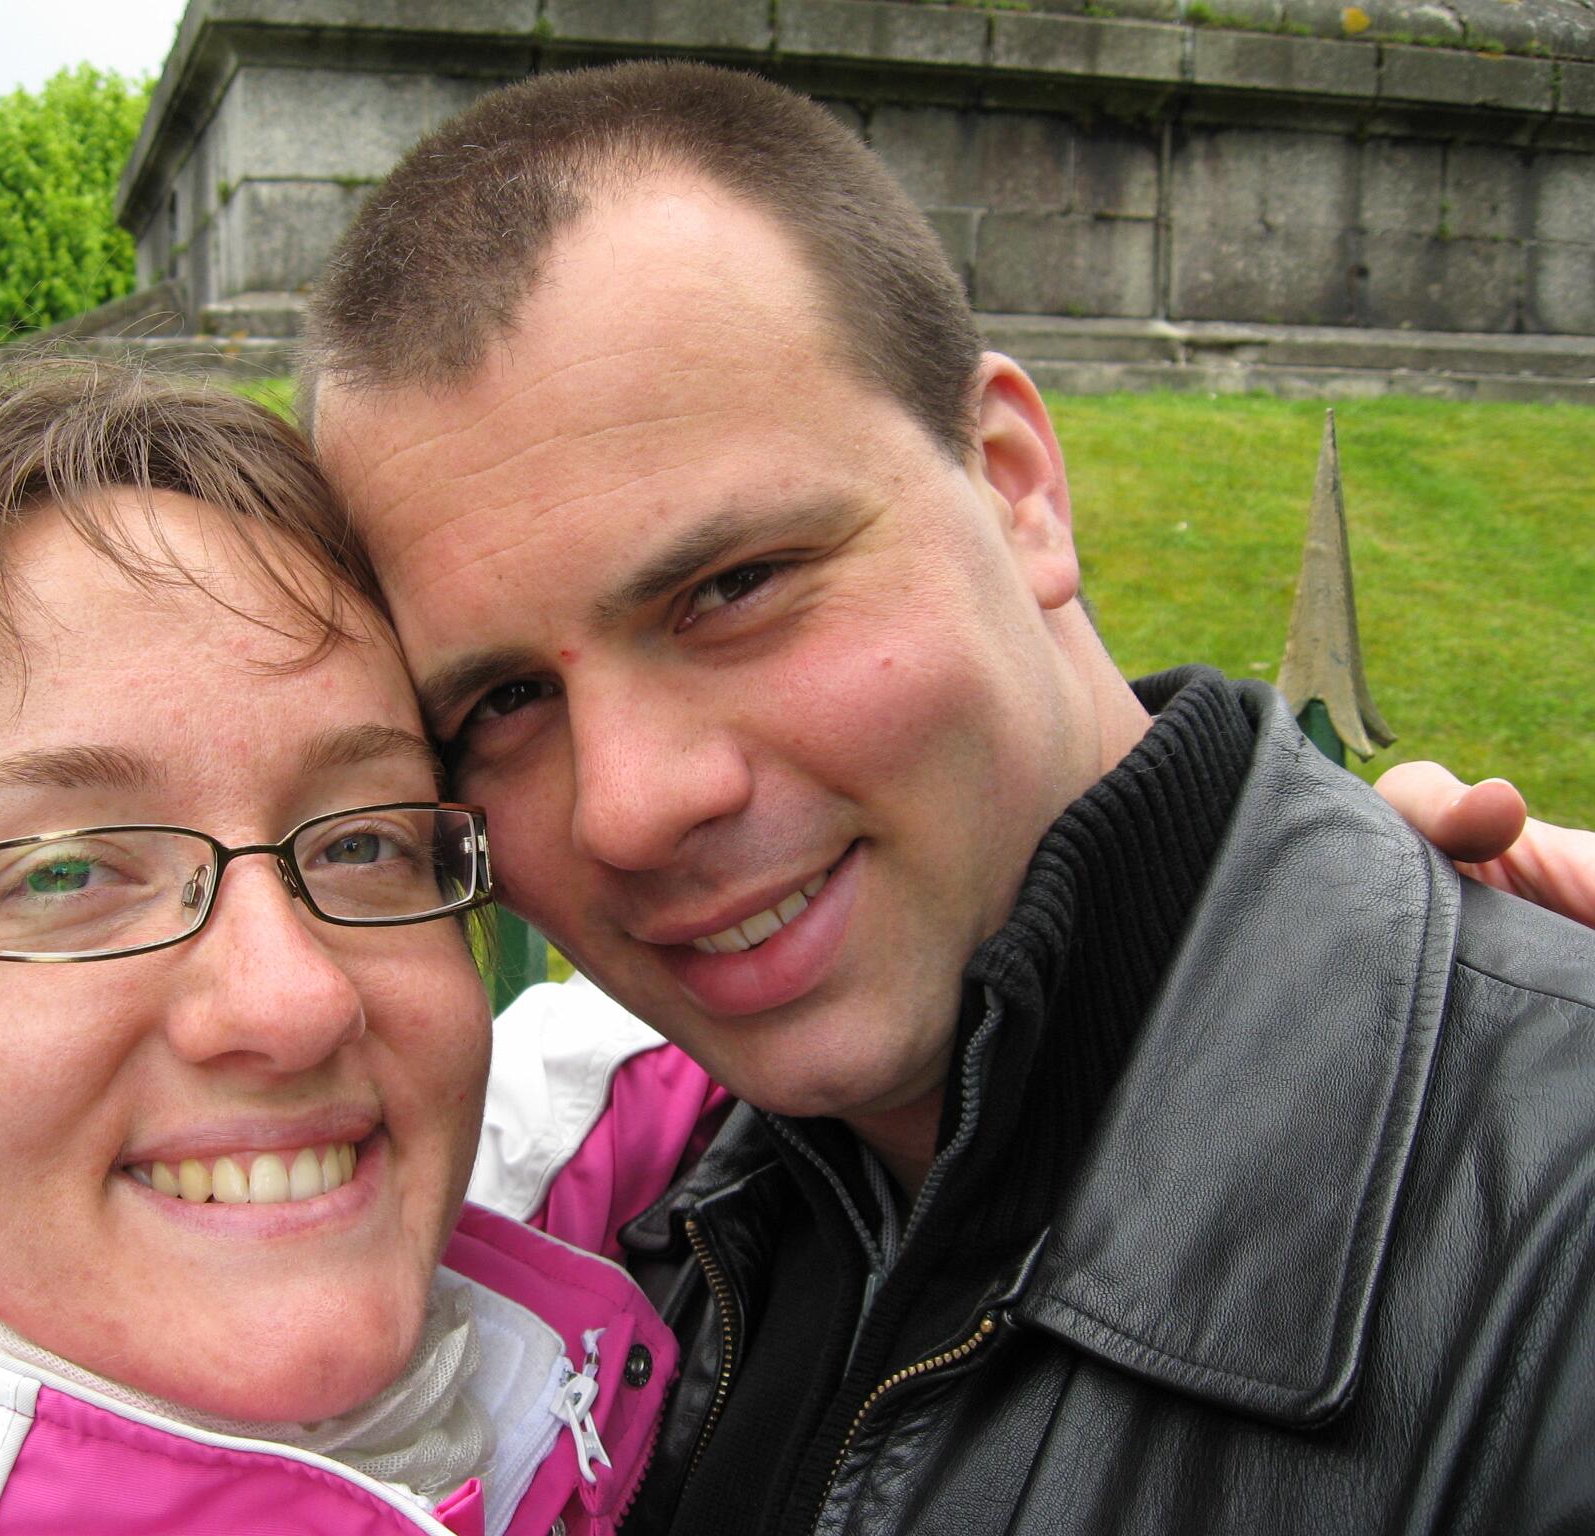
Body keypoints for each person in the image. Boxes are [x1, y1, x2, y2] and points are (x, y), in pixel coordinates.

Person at [302, 61, 1595, 1534]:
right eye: (501, 703)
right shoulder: (607, 1257)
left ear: (1013, 483)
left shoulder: (1548, 1234)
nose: (631, 809)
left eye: (733, 586)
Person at [0, 366, 682, 1536]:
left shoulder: (473, 1334)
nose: (294, 1001)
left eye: (360, 843)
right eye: (64, 875)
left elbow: (569, 1108)